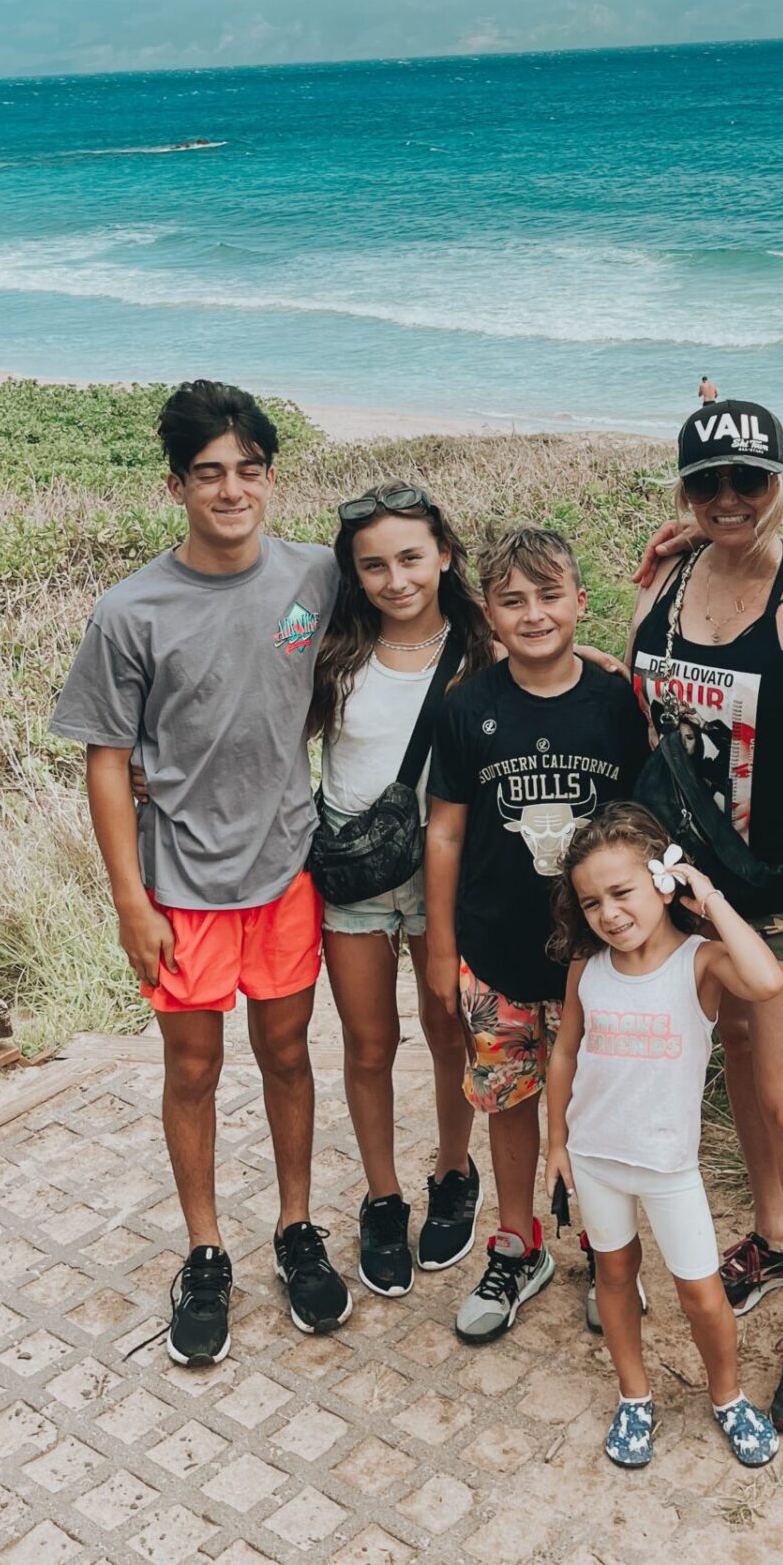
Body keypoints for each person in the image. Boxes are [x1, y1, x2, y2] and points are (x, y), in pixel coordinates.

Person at [51, 379, 351, 1364]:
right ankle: (207, 1247)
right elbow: (103, 758)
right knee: (191, 1066)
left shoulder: (314, 574)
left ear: (270, 475)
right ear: (176, 483)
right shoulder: (130, 611)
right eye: (210, 473)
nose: (232, 490)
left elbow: (426, 589)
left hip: (285, 873)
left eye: (249, 470)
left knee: (288, 1055)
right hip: (179, 887)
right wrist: (129, 903)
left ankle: (298, 1227)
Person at [628, 399, 783, 1435]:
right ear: (682, 493)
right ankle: (773, 1235)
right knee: (746, 1080)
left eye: (748, 482)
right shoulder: (662, 586)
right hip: (693, 893)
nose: (727, 501)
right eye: (705, 485)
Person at [424, 525, 647, 1344]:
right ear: (488, 614)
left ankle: (607, 1250)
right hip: (496, 953)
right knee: (509, 1103)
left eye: (550, 596)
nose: (534, 614)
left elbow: (645, 826)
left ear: (581, 603)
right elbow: (444, 834)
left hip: (604, 959)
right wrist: (444, 950)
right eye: (512, 601)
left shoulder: (616, 703)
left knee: (598, 1108)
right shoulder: (468, 709)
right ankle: (518, 1243)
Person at [545, 803, 783, 1470]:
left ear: (661, 879)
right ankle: (634, 1396)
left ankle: (729, 1397)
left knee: (700, 1292)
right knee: (613, 1274)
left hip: (667, 1164)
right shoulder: (587, 968)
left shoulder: (700, 962)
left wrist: (709, 899)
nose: (609, 913)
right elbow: (564, 1053)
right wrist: (555, 1146)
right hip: (595, 1157)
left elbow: (766, 981)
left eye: (622, 892)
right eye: (591, 902)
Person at [310, 482, 495, 1295]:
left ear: (444, 555)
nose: (396, 579)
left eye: (411, 558)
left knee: (450, 1028)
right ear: (354, 574)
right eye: (374, 565)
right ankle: (383, 1196)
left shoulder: (483, 648)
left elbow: (558, 665)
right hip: (351, 869)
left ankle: (454, 1172)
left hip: (448, 871)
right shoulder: (333, 649)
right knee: (368, 1043)